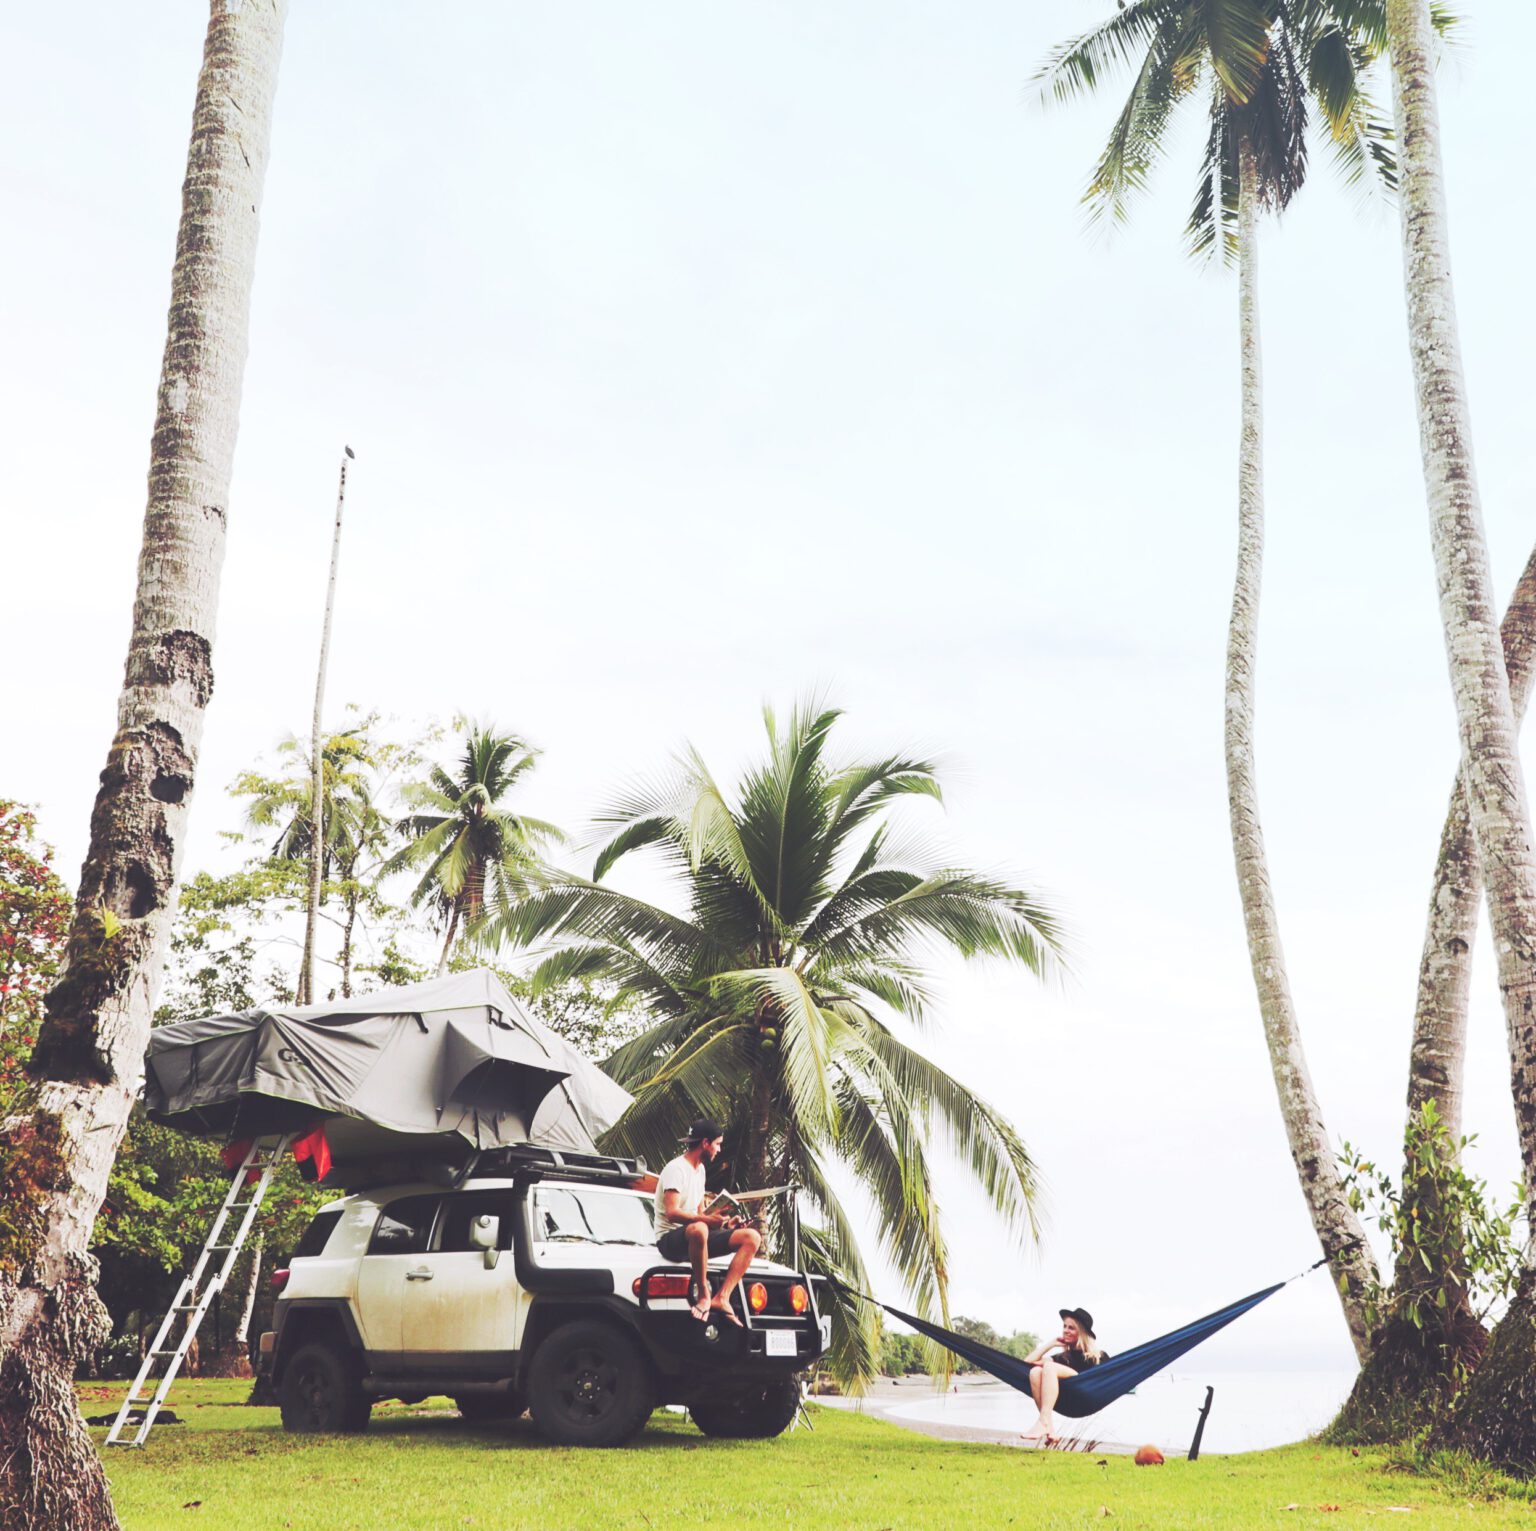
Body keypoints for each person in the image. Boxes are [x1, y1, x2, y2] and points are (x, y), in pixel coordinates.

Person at [653, 1119, 762, 1323]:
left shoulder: (700, 1170)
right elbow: (672, 1213)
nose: (719, 1149)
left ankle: (722, 1297)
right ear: (705, 1143)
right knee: (700, 1229)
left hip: (697, 1235)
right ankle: (704, 1294)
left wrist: (723, 1225)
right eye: (717, 1144)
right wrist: (705, 1221)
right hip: (670, 1240)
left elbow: (700, 1211)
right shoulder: (675, 1169)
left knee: (751, 1237)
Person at [1019, 1306, 1104, 1444]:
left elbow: (1112, 1373)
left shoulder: (1098, 1356)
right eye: (1064, 1326)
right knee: (1035, 1372)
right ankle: (1049, 1428)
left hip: (1085, 1393)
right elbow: (1026, 1364)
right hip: (1069, 1399)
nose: (1065, 1330)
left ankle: (1043, 1422)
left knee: (1049, 1366)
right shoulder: (1062, 1357)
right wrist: (1050, 1344)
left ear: (1081, 1332)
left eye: (1071, 1327)